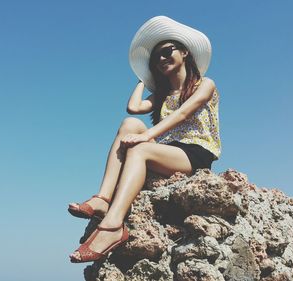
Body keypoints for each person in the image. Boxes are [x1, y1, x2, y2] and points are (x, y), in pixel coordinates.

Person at [68, 16, 221, 263]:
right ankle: (103, 198)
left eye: (167, 52)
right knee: (129, 124)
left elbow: (183, 113)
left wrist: (147, 136)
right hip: (166, 150)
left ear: (184, 52)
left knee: (139, 149)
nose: (161, 59)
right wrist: (143, 79)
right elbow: (133, 108)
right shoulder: (162, 95)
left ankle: (114, 225)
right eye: (155, 58)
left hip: (195, 152)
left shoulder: (205, 84)